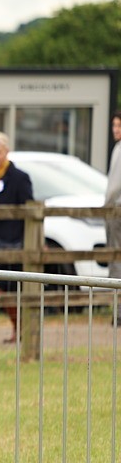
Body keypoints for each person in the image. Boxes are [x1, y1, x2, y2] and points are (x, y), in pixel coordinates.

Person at [0, 131, 33, 344]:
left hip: (12, 242)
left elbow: (29, 210)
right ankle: (18, 330)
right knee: (3, 288)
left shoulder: (19, 178)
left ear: (7, 152)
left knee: (0, 288)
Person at [107, 111, 121, 325]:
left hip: (116, 210)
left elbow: (115, 185)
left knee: (117, 260)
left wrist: (106, 206)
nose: (116, 130)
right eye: (115, 126)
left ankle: (118, 311)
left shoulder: (119, 149)